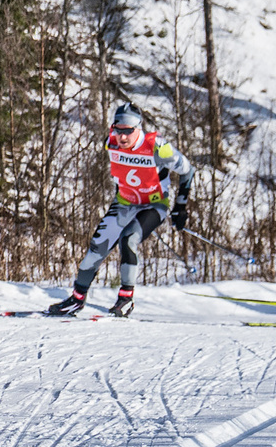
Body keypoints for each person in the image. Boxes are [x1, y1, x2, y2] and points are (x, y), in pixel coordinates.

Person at [48, 103, 195, 317]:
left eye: (128, 131)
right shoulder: (111, 143)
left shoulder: (158, 148)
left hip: (154, 205)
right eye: (118, 129)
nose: (122, 136)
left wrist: (180, 207)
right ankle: (76, 300)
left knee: (129, 239)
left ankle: (126, 299)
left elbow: (188, 171)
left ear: (139, 128)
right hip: (125, 203)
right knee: (97, 246)